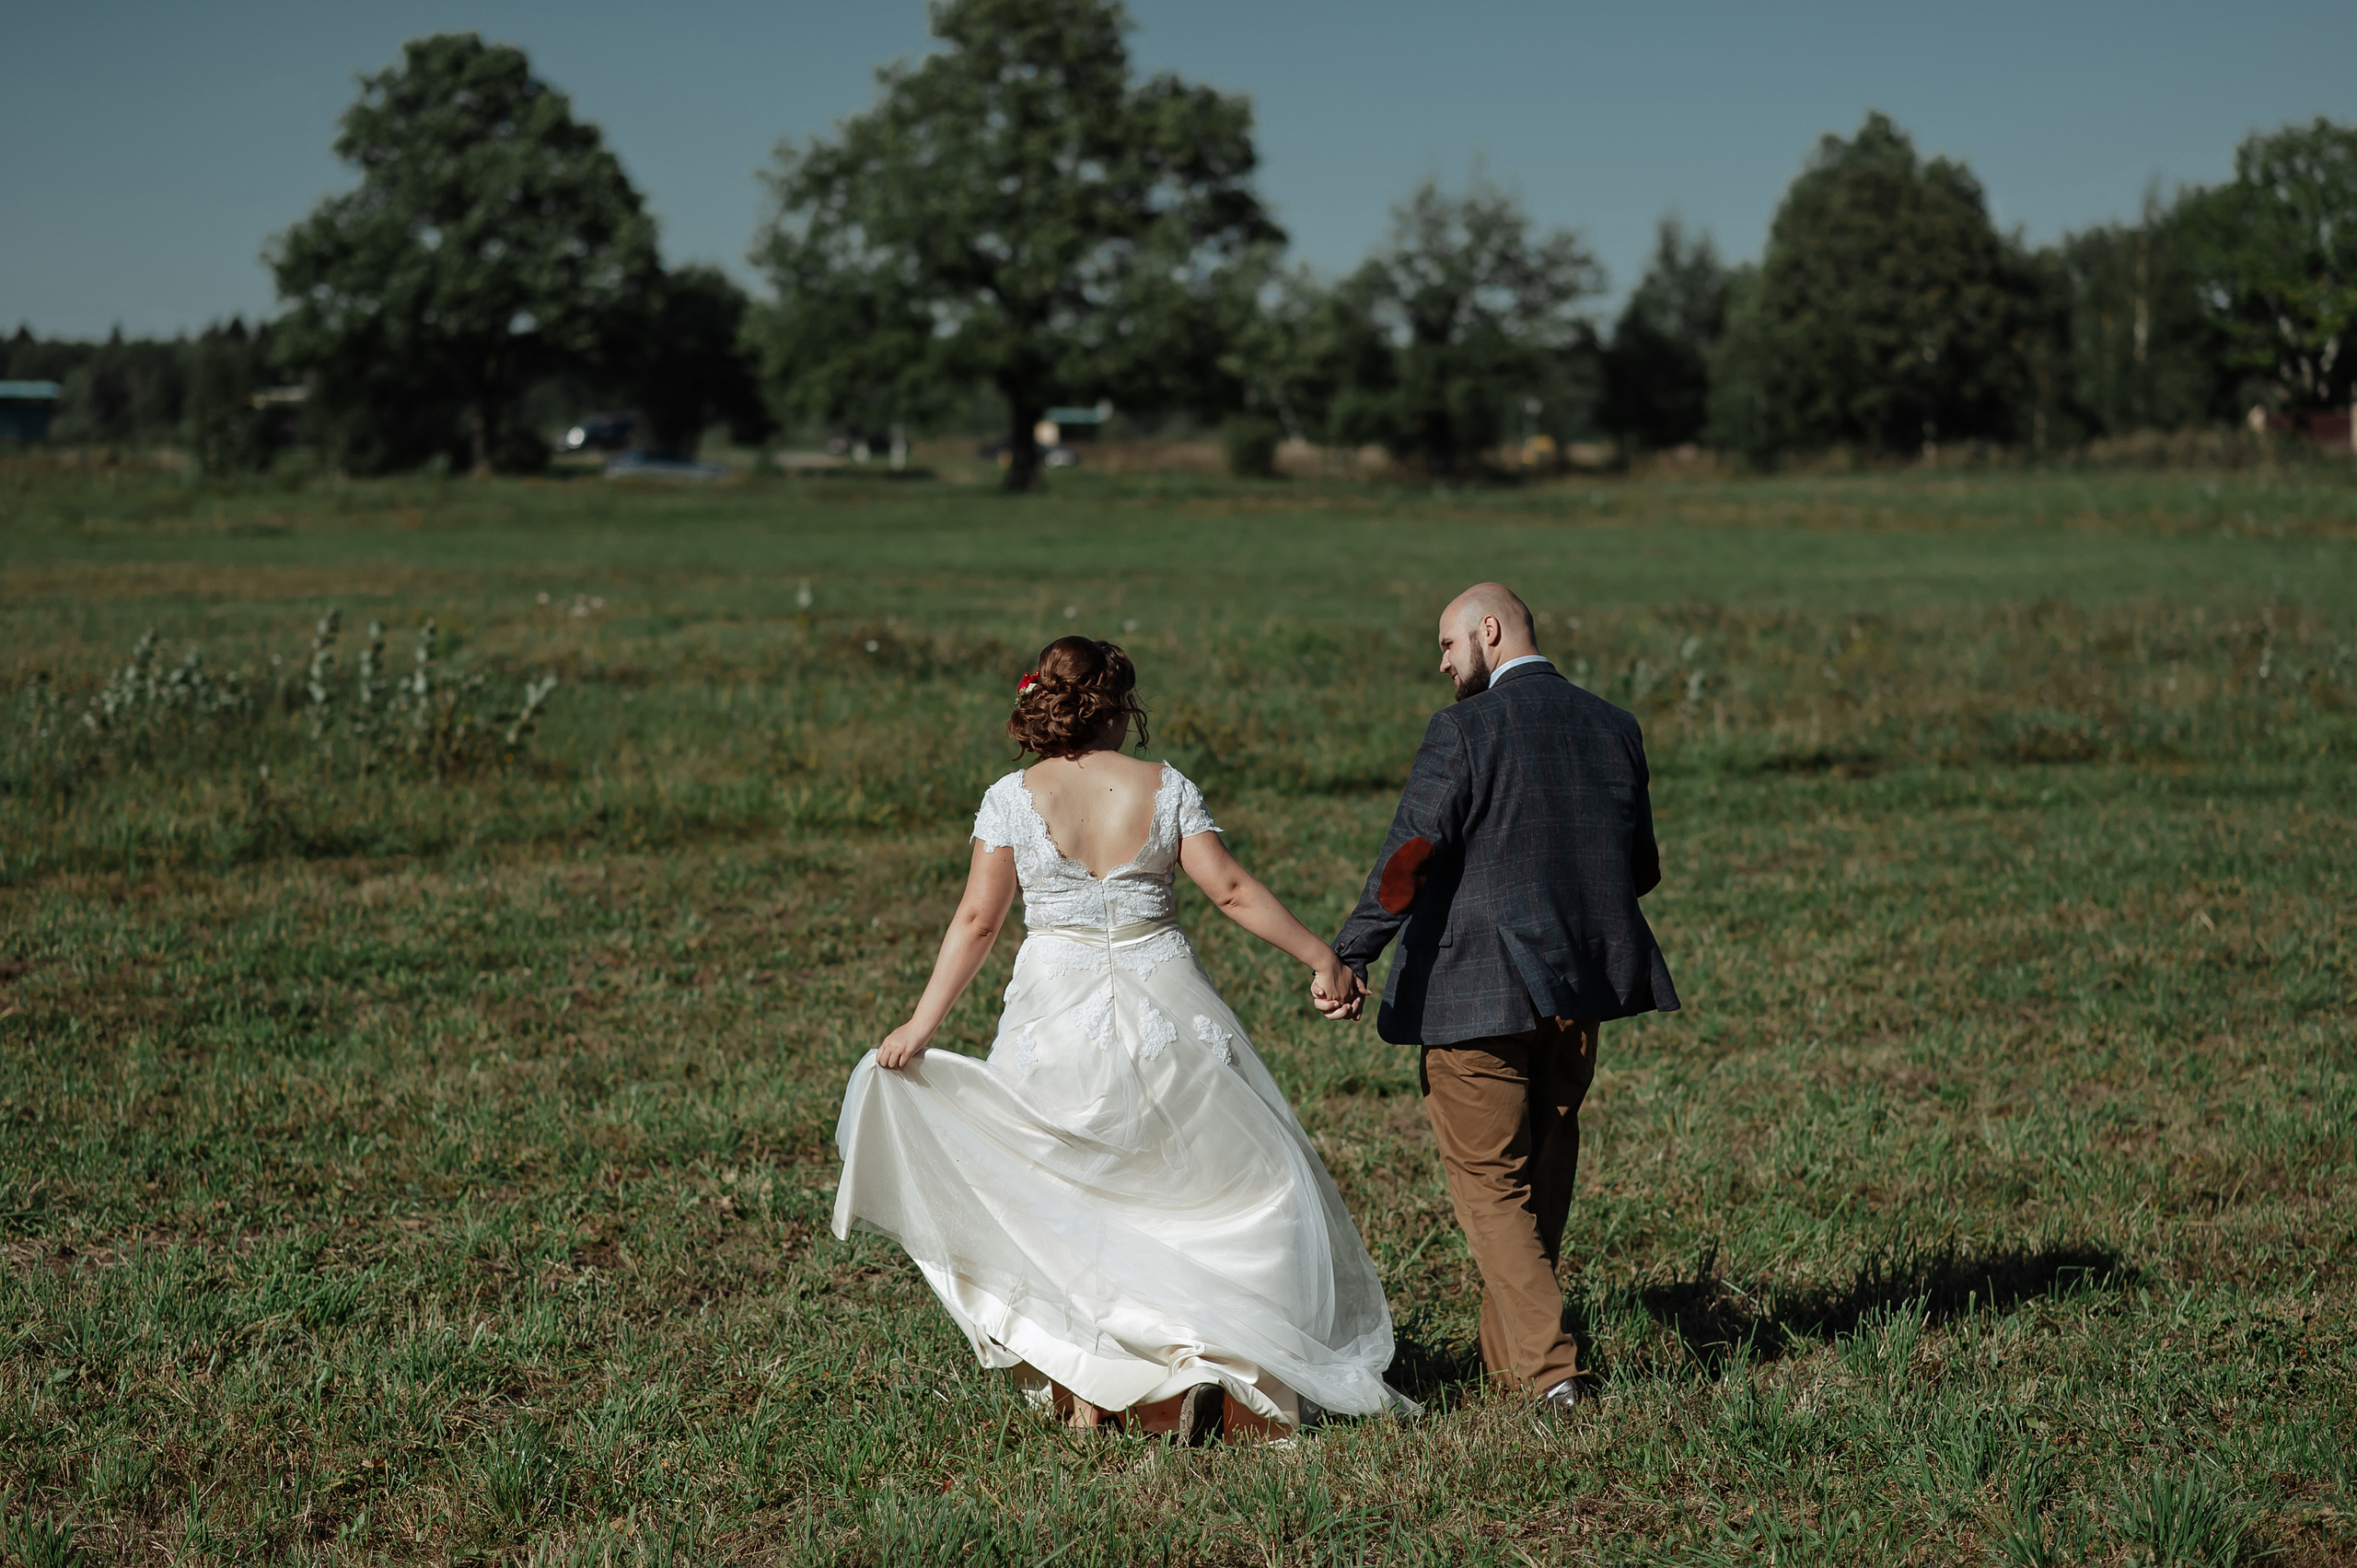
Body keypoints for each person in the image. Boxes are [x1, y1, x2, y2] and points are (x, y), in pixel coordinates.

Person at [832, 635, 1412, 1443]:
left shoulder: (1011, 796)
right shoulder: (1164, 786)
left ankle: (1099, 1377)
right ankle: (1211, 1364)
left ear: (1045, 701)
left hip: (1054, 1010)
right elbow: (1233, 890)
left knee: (1064, 1188)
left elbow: (978, 919)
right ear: (1117, 706)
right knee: (1210, 1183)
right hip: (1167, 1000)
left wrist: (920, 1026)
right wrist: (1322, 957)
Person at [1321, 583, 1679, 1412]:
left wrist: (1349, 950)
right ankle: (1514, 1369)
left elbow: (1410, 854)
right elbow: (1642, 868)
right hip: (1579, 990)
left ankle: (1553, 1373)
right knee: (1540, 1184)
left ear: (1489, 629)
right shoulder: (1613, 725)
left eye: (1448, 645)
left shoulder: (1465, 729)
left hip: (1475, 990)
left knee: (1493, 1188)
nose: (1443, 664)